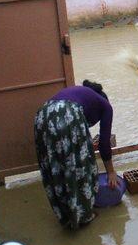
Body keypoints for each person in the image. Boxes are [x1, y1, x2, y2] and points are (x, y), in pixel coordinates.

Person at [34, 80, 118, 229]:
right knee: (83, 164)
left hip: (42, 115)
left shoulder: (80, 94)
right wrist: (110, 172)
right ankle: (84, 215)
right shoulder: (105, 106)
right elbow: (104, 143)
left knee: (54, 165)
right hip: (68, 113)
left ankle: (65, 215)